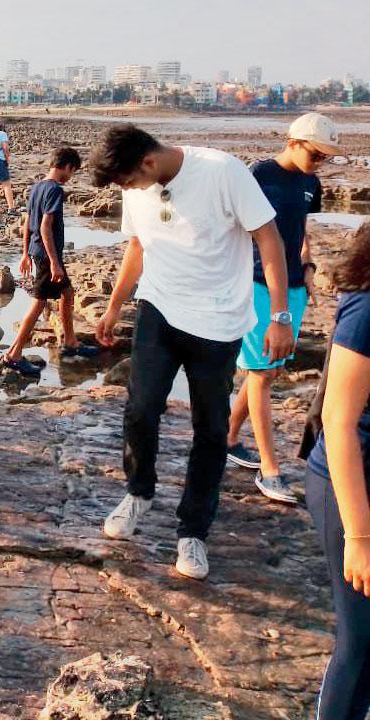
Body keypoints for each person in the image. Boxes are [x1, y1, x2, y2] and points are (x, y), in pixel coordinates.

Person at [90, 124, 296, 581]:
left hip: (218, 321)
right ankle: (139, 493)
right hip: (158, 308)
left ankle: (193, 532)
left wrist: (280, 316)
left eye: (128, 182)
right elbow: (138, 246)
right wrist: (113, 307)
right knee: (140, 409)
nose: (129, 191)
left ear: (147, 163)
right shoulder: (137, 186)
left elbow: (269, 239)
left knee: (210, 427)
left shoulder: (223, 172)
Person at [227, 113, 339, 503]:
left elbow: (301, 231)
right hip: (257, 285)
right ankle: (270, 470)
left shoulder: (311, 182)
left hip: (294, 286)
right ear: (293, 141)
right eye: (316, 154)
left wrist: (308, 266)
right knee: (259, 373)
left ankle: (228, 436)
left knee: (269, 370)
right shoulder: (259, 175)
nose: (320, 162)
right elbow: (238, 229)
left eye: (326, 157)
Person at [304, 221, 370, 719]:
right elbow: (338, 420)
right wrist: (360, 538)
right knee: (361, 638)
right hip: (347, 487)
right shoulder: (366, 312)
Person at [4, 146, 98, 376]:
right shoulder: (55, 190)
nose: (71, 176)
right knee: (39, 302)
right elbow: (45, 227)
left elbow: (27, 223)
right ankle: (13, 354)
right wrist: (54, 262)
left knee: (67, 294)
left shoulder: (37, 187)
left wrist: (25, 253)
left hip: (38, 251)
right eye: (73, 171)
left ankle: (71, 343)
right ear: (67, 167)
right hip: (47, 255)